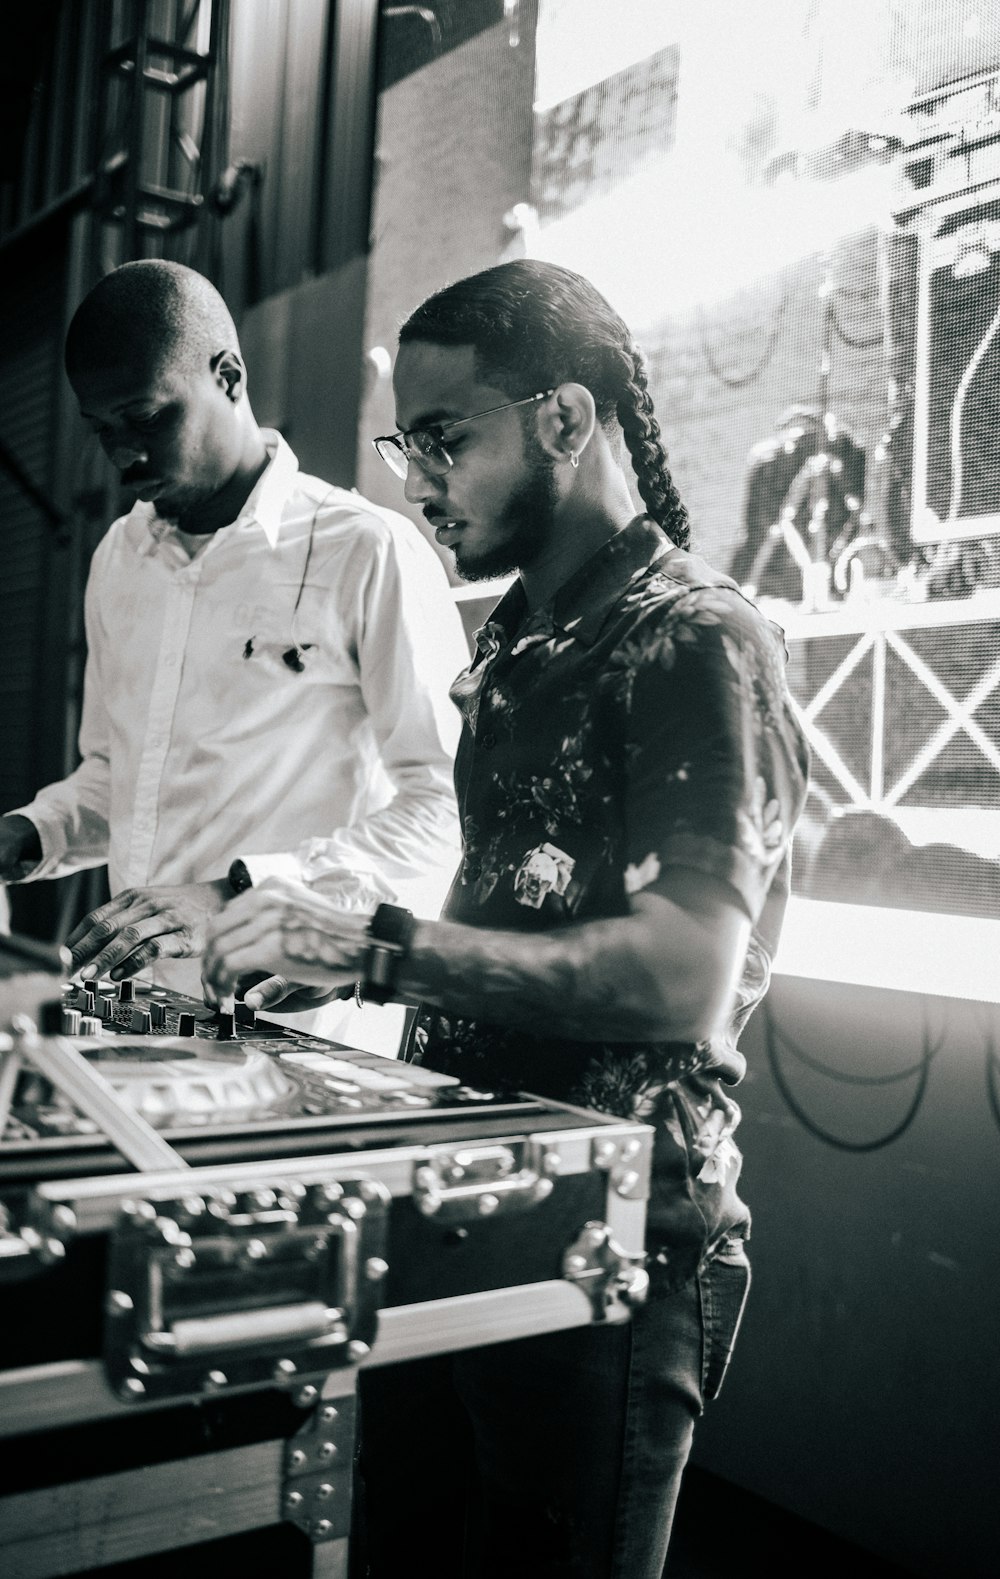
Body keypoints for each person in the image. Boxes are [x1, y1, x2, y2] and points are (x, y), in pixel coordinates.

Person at [202, 259, 810, 1577]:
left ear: (566, 420)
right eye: (402, 440)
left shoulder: (696, 635)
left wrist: (373, 942)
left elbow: (687, 973)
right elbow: (526, 919)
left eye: (445, 438)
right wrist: (329, 971)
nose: (416, 474)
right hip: (465, 1210)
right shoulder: (514, 651)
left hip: (618, 1245)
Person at [0, 260, 468, 1052]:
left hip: (301, 1032)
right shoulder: (120, 556)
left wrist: (239, 893)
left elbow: (446, 805)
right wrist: (30, 832)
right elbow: (120, 774)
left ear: (228, 374)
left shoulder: (367, 550)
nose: (124, 459)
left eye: (146, 419)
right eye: (103, 431)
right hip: (133, 1021)